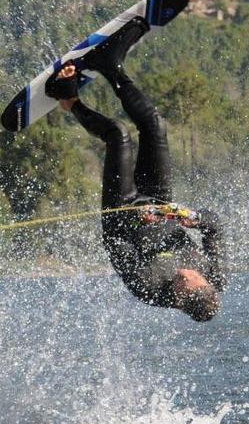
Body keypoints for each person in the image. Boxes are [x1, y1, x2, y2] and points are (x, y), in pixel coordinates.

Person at [44, 17, 226, 322]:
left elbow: (115, 244)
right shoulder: (216, 277)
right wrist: (190, 218)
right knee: (154, 125)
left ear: (180, 301)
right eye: (194, 277)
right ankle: (110, 65)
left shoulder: (149, 288)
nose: (186, 274)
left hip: (122, 211)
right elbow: (215, 226)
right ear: (206, 284)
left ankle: (68, 99)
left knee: (119, 134)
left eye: (183, 284)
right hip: (161, 201)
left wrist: (134, 216)